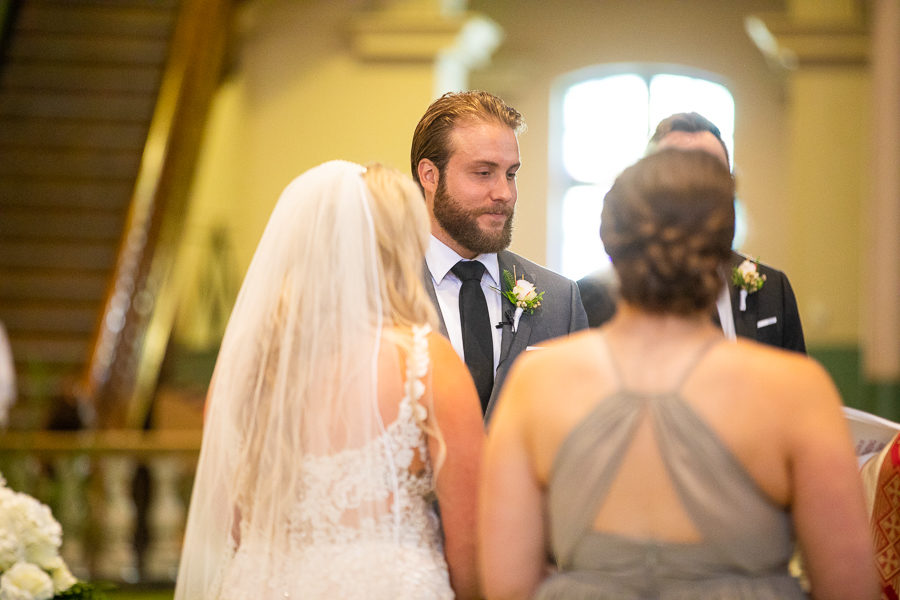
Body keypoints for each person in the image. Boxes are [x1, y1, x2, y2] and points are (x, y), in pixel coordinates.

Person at [480, 149, 877, 599]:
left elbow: (506, 585)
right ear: (723, 248)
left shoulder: (539, 383)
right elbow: (848, 587)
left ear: (610, 244)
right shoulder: (794, 391)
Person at [174, 161, 484, 600]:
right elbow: (469, 543)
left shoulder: (247, 368)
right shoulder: (423, 360)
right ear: (399, 247)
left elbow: (232, 528)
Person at [411, 90, 589, 421]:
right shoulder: (381, 289)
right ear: (429, 175)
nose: (504, 194)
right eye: (483, 173)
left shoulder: (560, 301)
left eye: (511, 174)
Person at [578, 112, 806, 353]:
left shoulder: (772, 290)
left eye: (711, 174)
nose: (692, 195)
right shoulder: (592, 295)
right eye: (674, 176)